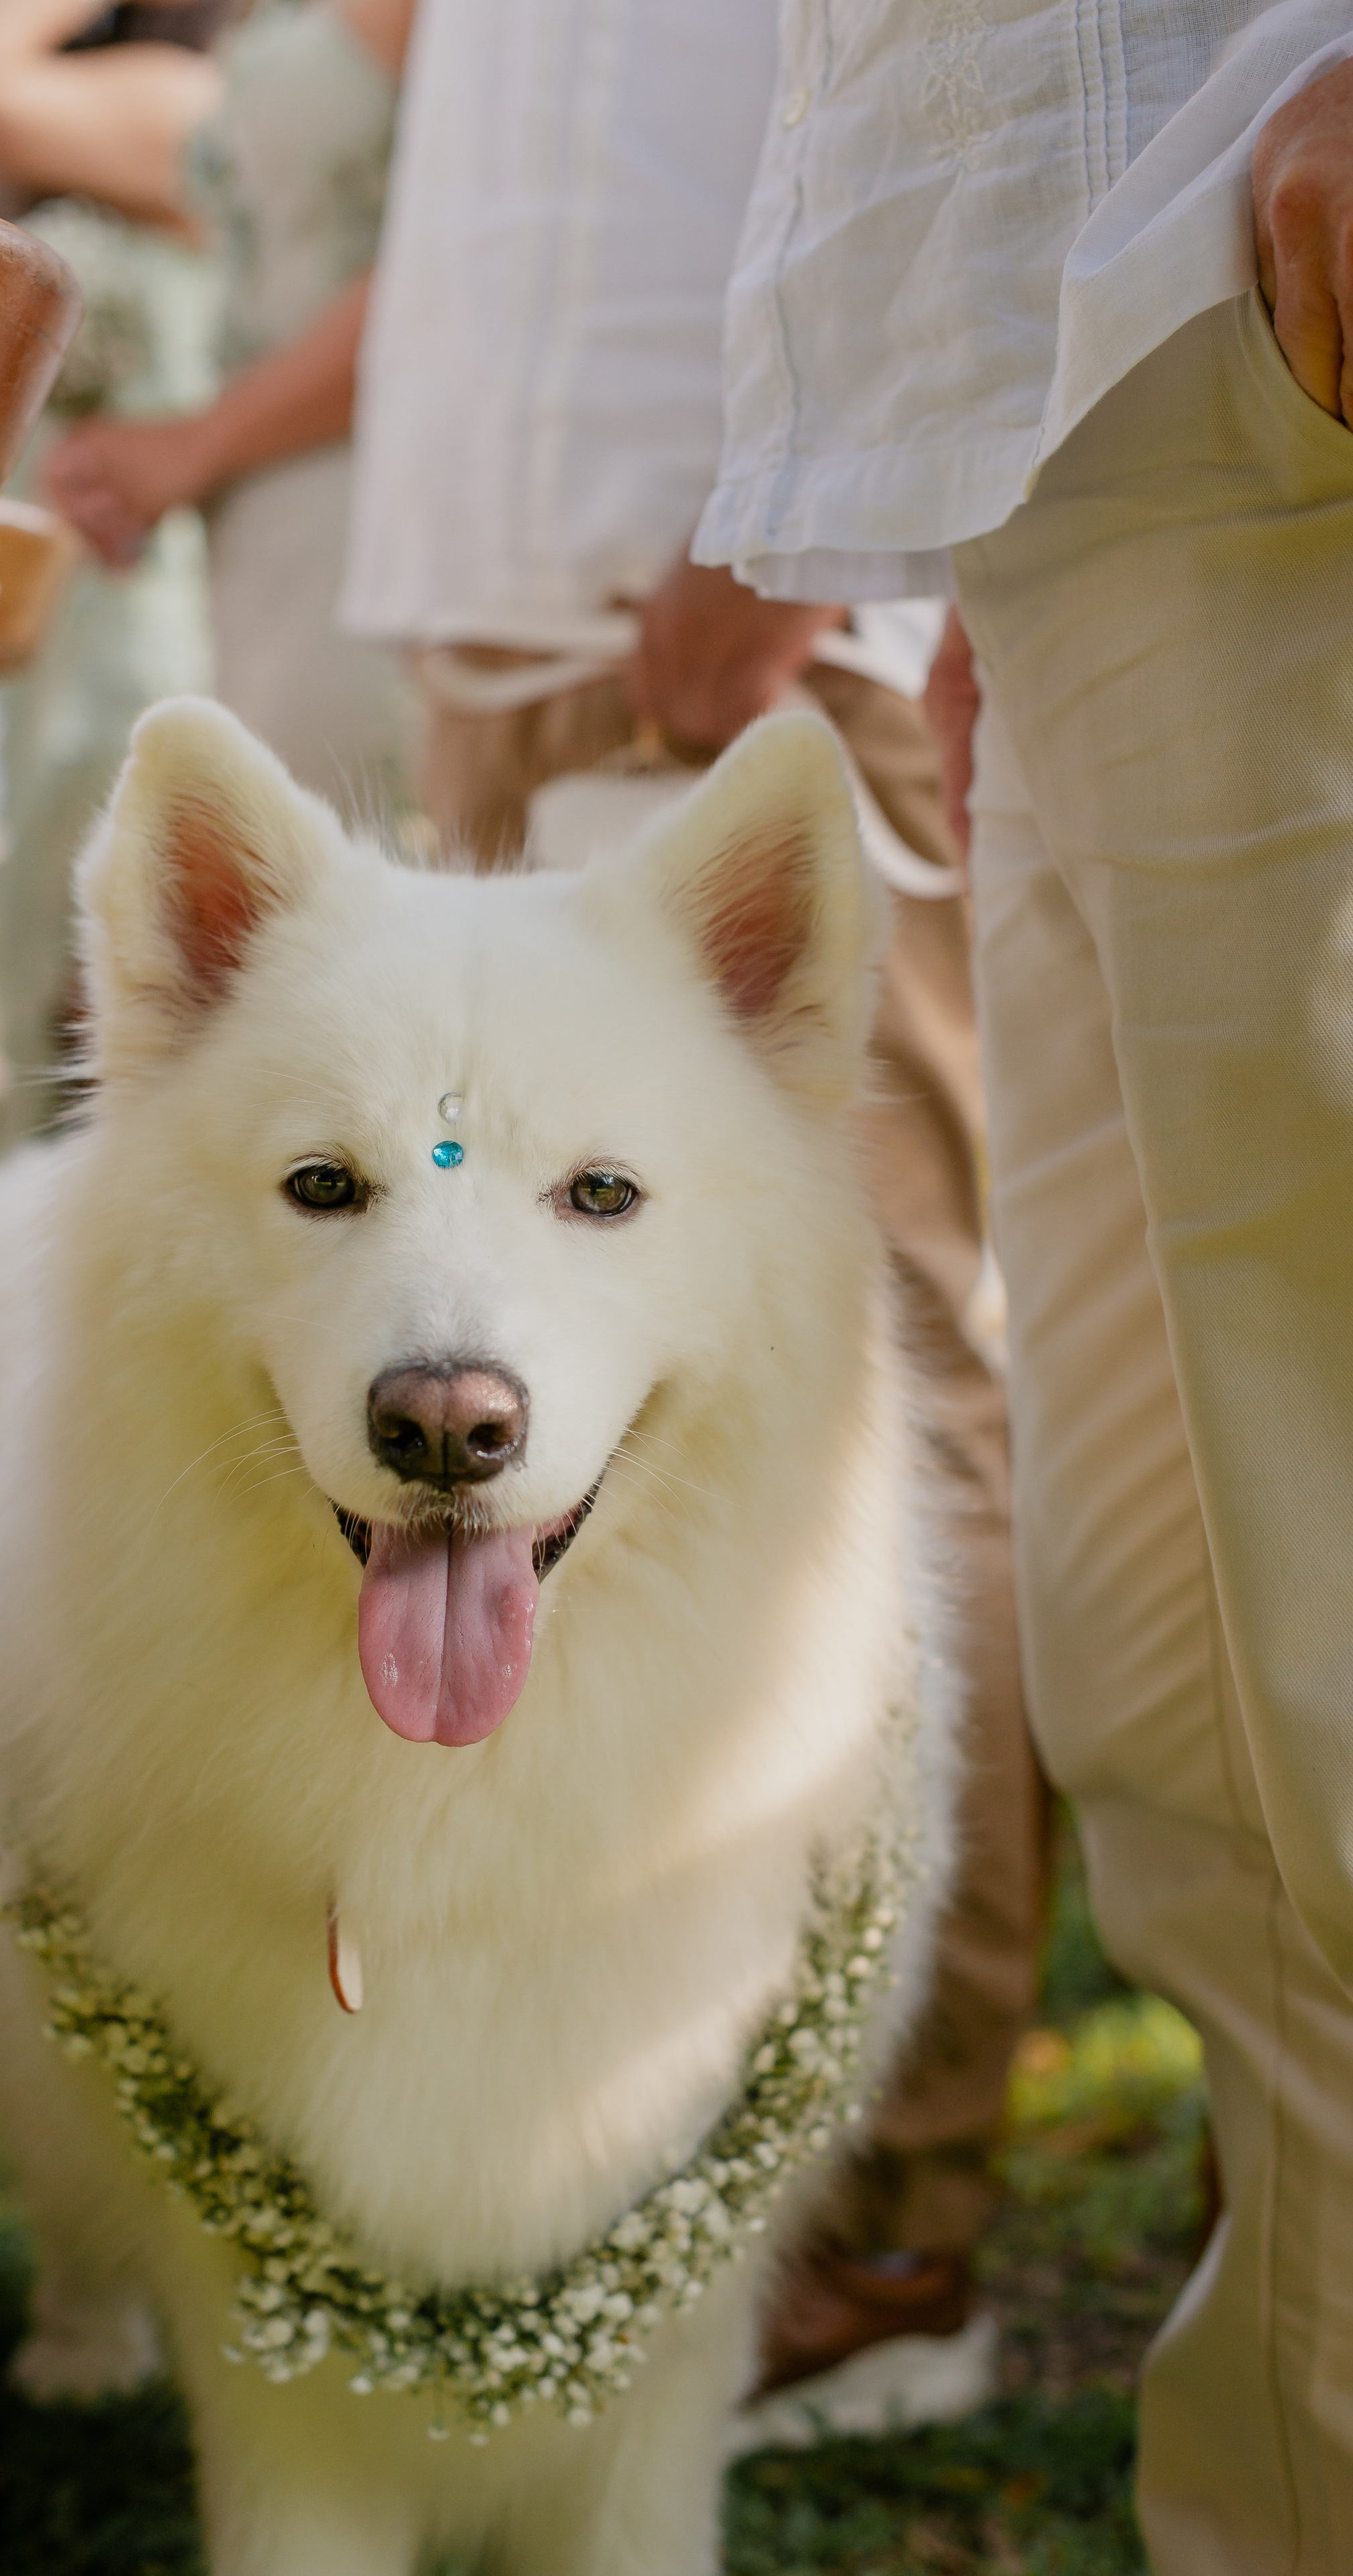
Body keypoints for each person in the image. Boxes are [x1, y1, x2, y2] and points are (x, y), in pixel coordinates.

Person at [655, 7, 1353, 2566]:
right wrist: (979, 516)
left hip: (1260, 326)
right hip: (1070, 432)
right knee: (1182, 1728)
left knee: (1325, 1689)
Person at [340, 0, 1047, 2450]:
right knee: (483, 1373)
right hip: (494, 587)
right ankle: (573, 2139)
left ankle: (884, 2206)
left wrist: (795, 529)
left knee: (869, 1397)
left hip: (752, 602)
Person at [0, 0, 419, 826]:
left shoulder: (198, 93)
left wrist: (196, 443)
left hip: (331, 541)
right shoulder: (257, 65)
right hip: (222, 555)